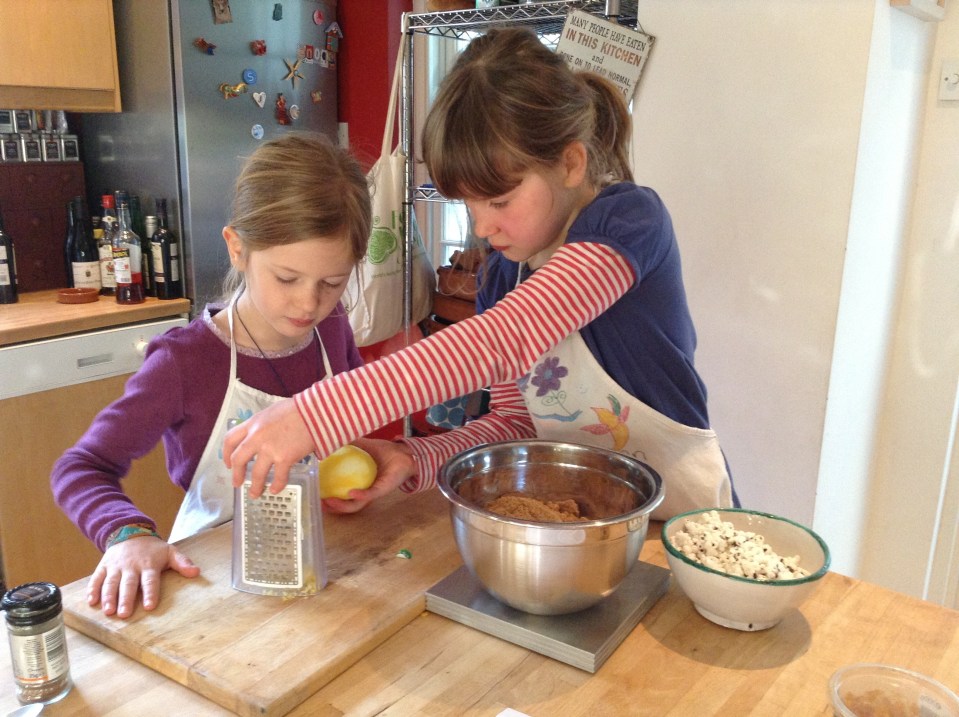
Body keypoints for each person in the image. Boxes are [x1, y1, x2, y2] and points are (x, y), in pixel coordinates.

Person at [224, 27, 735, 519]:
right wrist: (415, 457)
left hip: (677, 519)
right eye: (468, 203)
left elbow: (504, 339)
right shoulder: (504, 276)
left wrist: (317, 414)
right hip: (582, 518)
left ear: (571, 163)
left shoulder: (626, 225)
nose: (482, 224)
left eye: (499, 199)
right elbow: (515, 424)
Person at [51, 132, 372, 618]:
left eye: (333, 282)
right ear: (237, 249)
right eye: (286, 278)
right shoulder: (185, 362)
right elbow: (79, 467)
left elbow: (355, 429)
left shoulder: (334, 329)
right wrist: (128, 534)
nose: (310, 304)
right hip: (216, 593)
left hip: (330, 567)